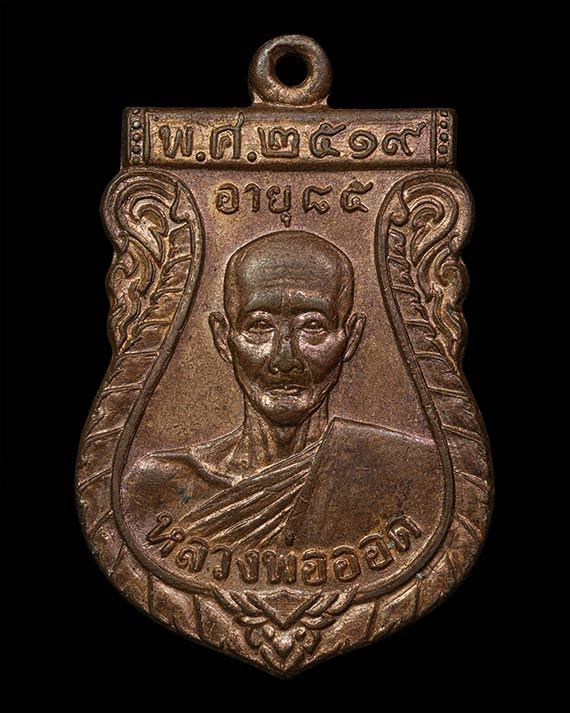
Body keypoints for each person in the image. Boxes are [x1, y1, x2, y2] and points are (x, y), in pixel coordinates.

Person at [124, 230, 441, 550]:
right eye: (259, 325)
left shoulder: (406, 473)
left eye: (312, 325)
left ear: (351, 338)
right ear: (222, 337)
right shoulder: (160, 485)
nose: (284, 360)